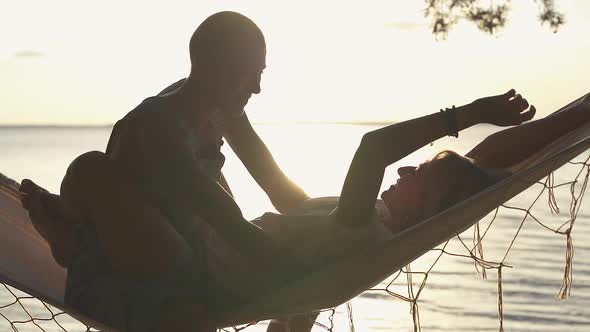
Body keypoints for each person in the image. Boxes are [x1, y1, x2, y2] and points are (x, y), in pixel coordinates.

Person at [18, 10, 588, 332]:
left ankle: (77, 243)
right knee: (109, 167)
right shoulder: (341, 218)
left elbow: (371, 154)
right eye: (253, 74)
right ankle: (79, 237)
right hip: (200, 246)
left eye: (420, 174)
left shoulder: (367, 229)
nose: (260, 88)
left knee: (91, 171)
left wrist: (466, 115)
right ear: (218, 68)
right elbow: (481, 165)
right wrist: (574, 116)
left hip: (192, 268)